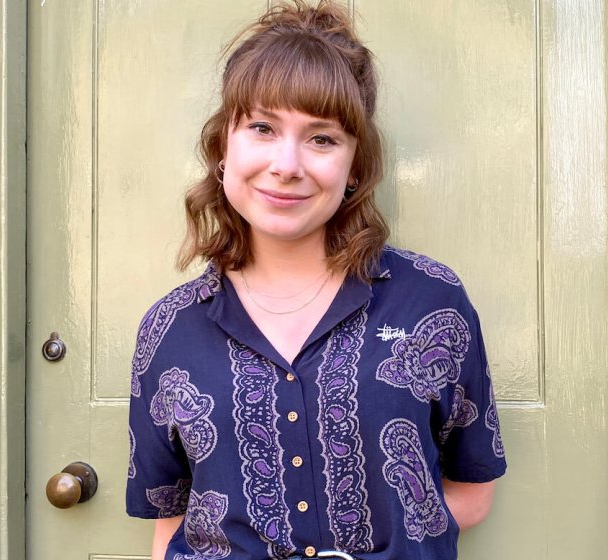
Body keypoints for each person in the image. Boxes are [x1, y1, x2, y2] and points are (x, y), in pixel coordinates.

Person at [126, 1, 507, 559]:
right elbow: (169, 528)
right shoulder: (168, 330)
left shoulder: (431, 302)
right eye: (262, 127)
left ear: (355, 166)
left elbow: (472, 493)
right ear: (222, 148)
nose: (287, 164)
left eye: (321, 138)